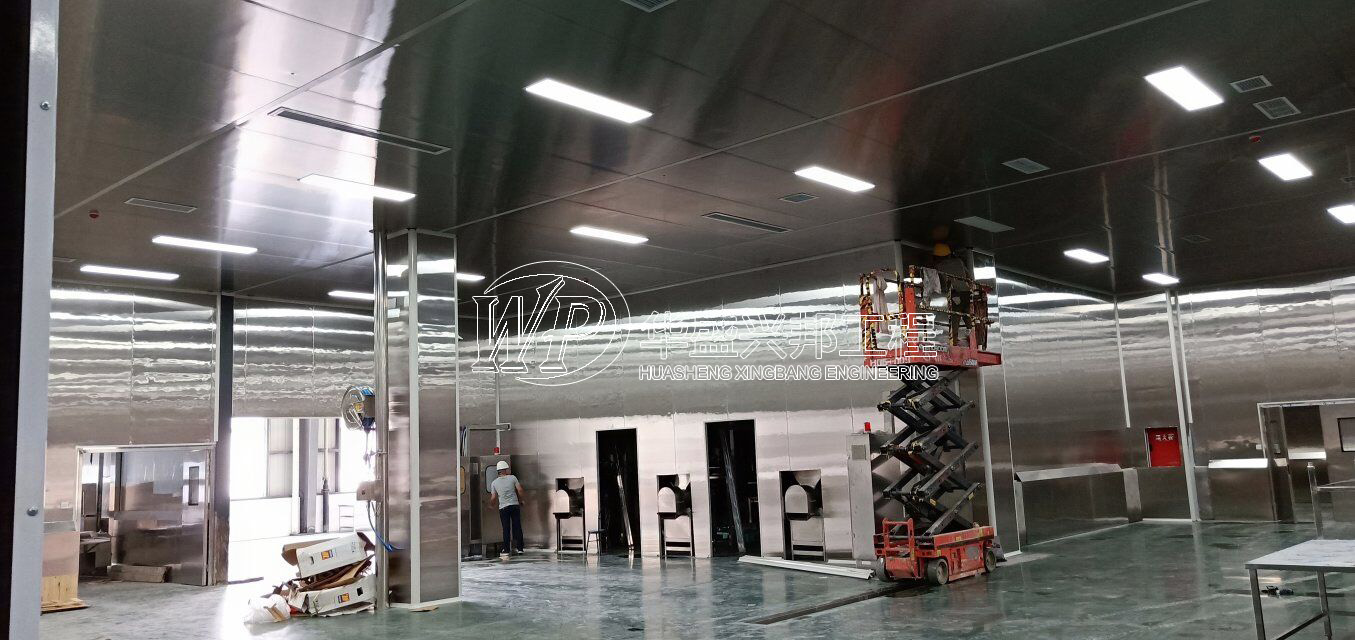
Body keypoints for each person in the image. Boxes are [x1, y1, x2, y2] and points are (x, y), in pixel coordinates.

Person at [488, 460, 525, 557]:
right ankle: (520, 548)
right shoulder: (513, 478)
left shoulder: (494, 483)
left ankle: (507, 549)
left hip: (503, 508)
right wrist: (521, 500)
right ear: (505, 469)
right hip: (514, 505)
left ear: (498, 471)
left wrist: (491, 505)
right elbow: (520, 490)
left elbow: (493, 497)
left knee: (506, 528)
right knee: (517, 526)